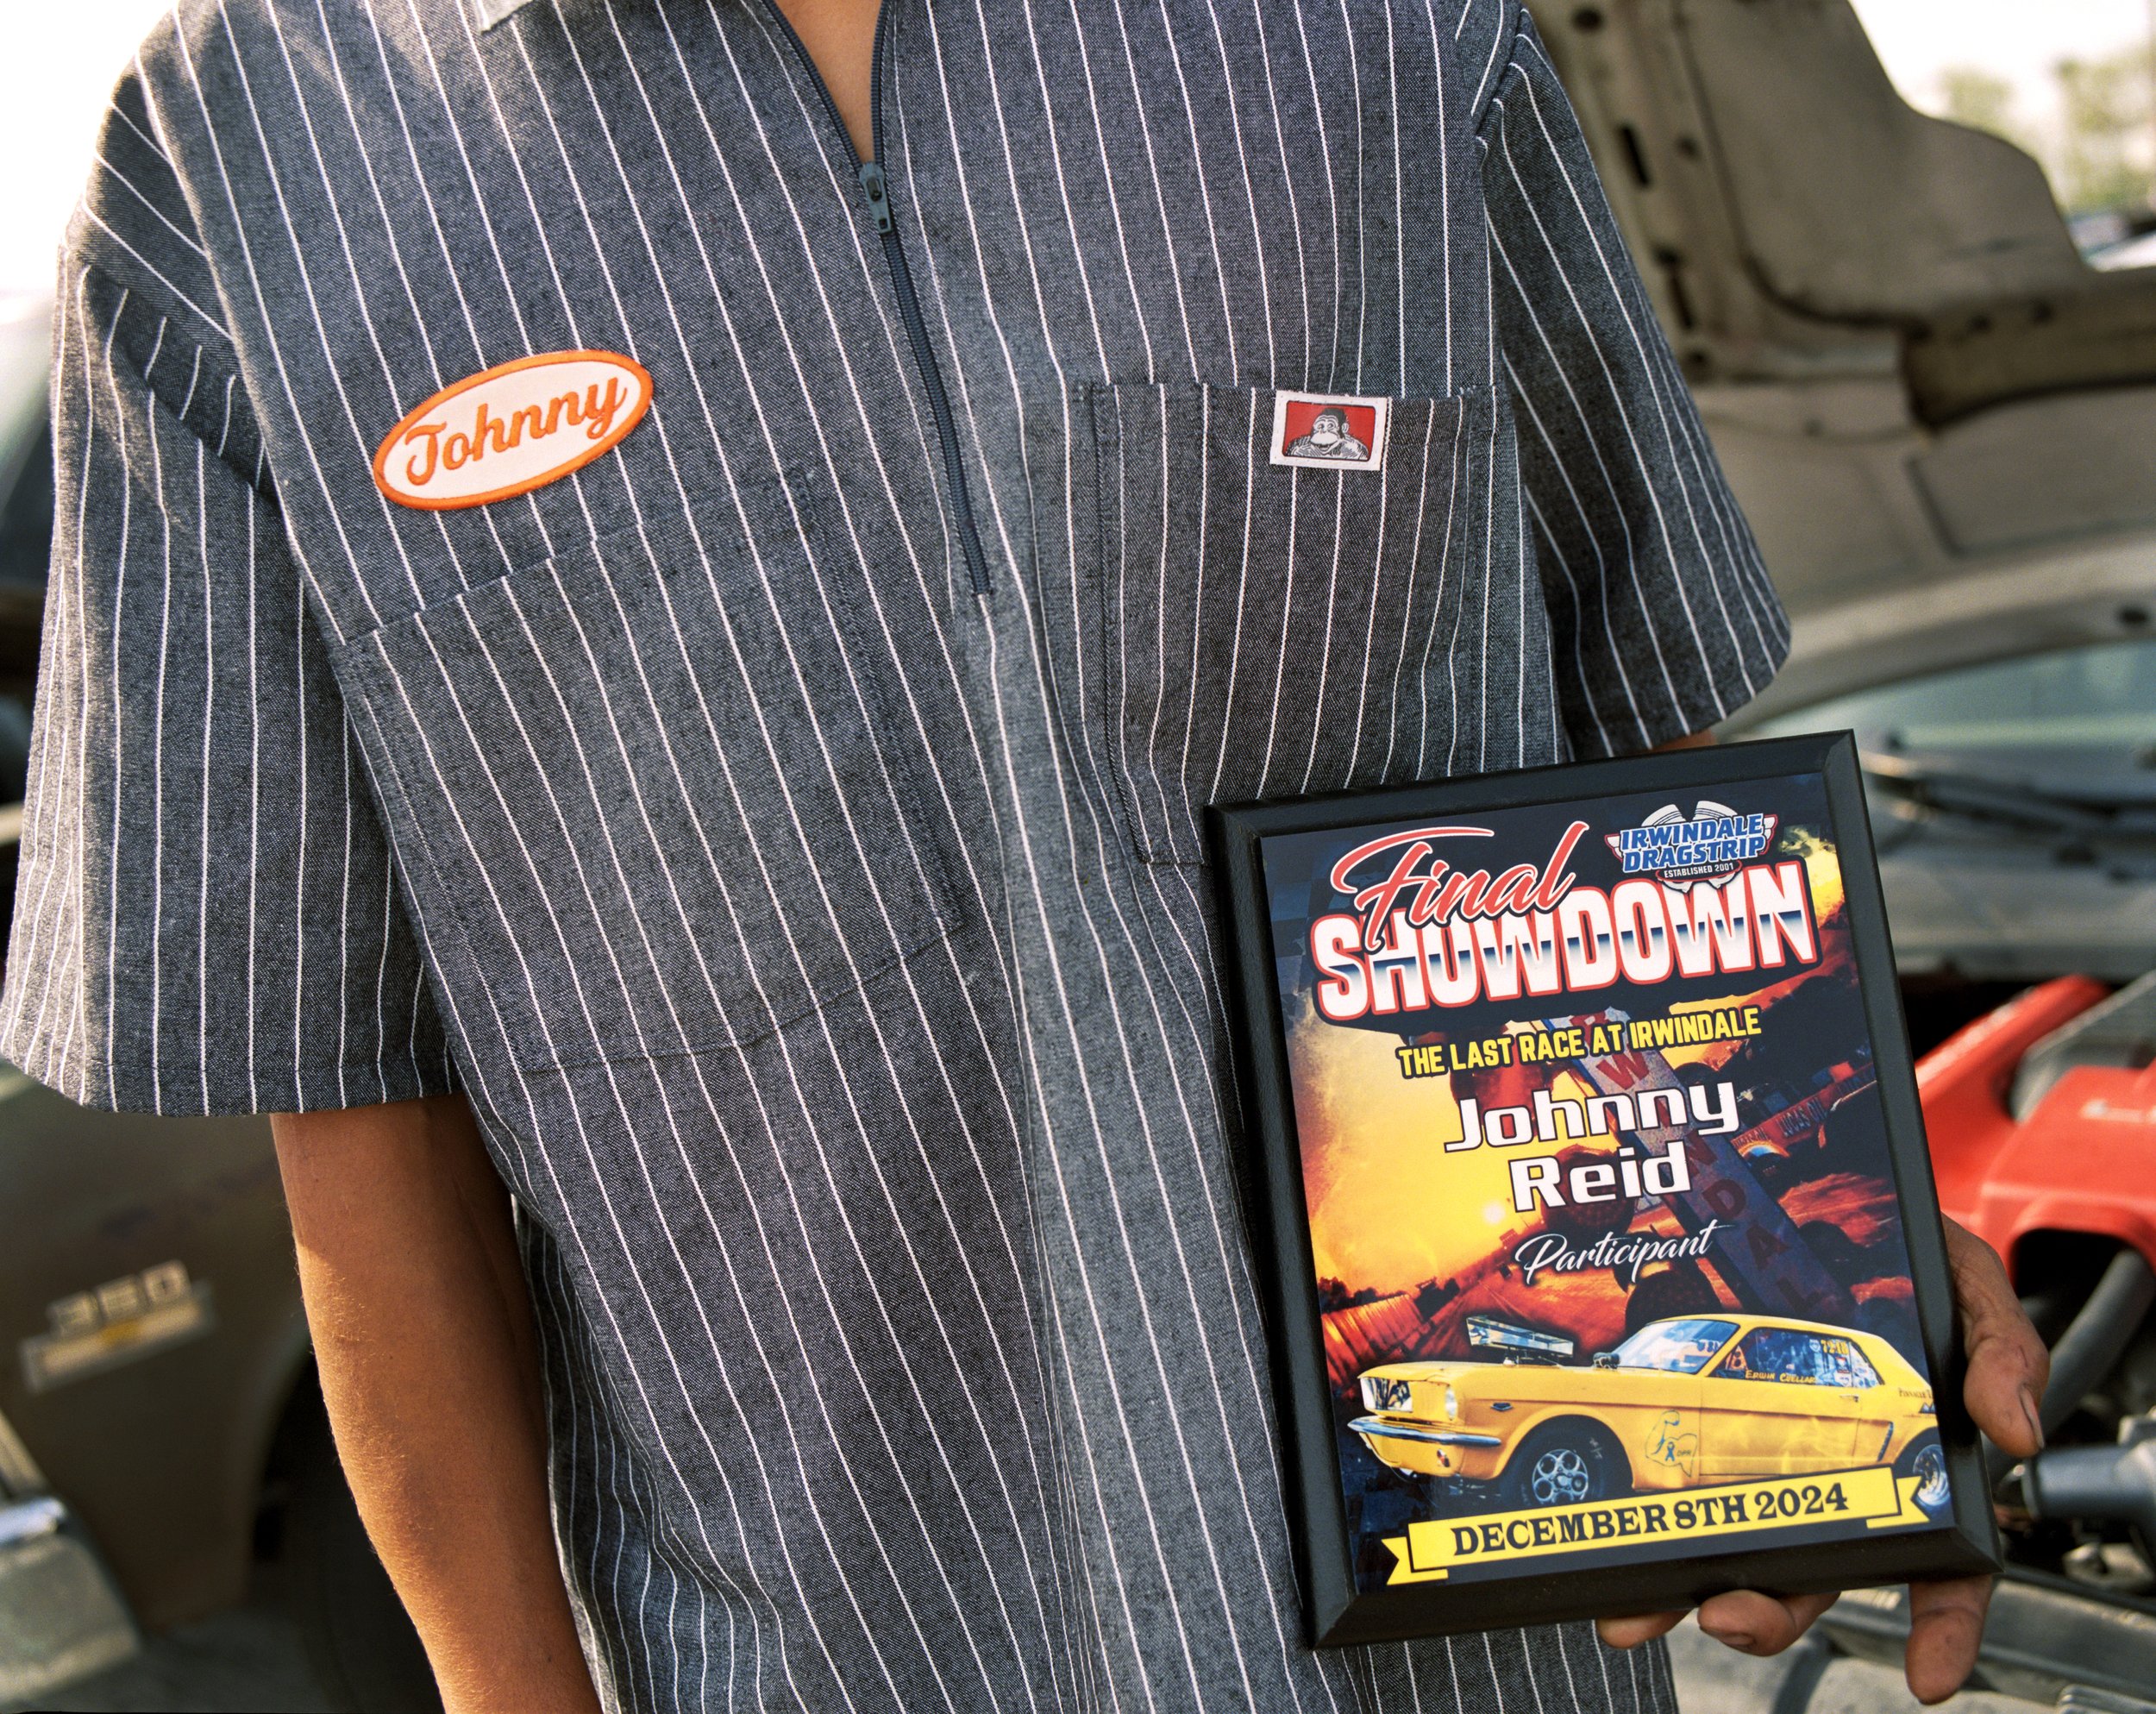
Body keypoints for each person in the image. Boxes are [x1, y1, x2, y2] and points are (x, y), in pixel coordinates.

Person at [4, 0, 2046, 1711]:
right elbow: (357, 1117)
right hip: (833, 1661)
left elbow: (1656, 799)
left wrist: (1853, 1282)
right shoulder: (238, 165)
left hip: (1492, 1663)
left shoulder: (1390, 35)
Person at [1284, 406, 1370, 461]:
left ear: (1344, 428)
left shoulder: (1355, 449)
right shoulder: (1300, 448)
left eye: (1331, 426)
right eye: (1320, 426)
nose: (1324, 431)